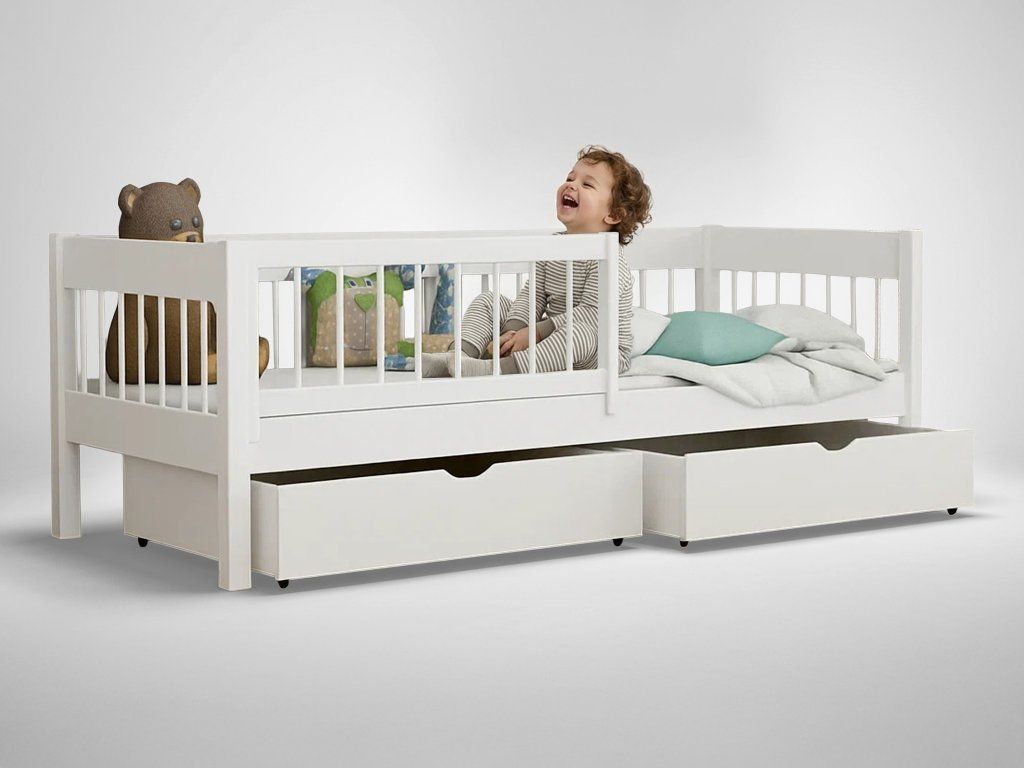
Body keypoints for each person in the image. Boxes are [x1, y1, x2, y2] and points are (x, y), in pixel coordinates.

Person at [422, 144, 652, 377]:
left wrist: (535, 333)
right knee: (489, 301)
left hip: (600, 351)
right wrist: (513, 332)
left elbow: (592, 315)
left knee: (579, 333)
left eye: (587, 184)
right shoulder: (553, 247)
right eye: (570, 178)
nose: (571, 184)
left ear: (614, 214)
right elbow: (532, 296)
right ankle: (458, 358)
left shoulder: (609, 260)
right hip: (550, 337)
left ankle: (496, 369)